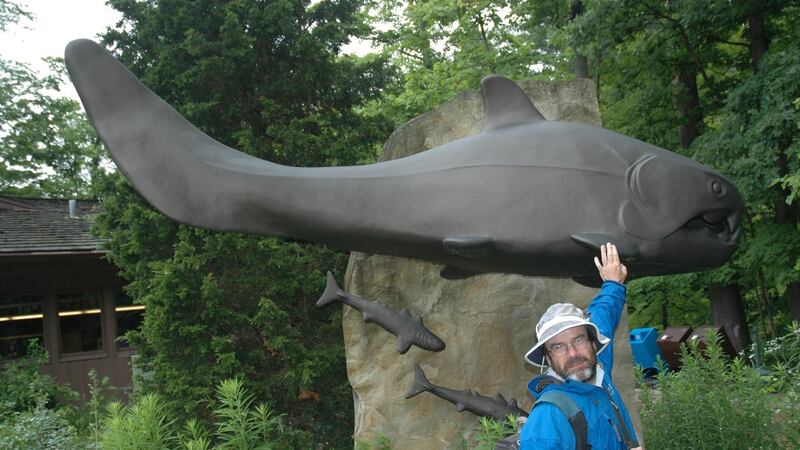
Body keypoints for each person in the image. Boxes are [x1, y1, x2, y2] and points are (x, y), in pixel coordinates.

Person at [518, 243, 642, 450]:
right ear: (547, 359)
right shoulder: (549, 417)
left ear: (593, 342)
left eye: (578, 340)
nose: (573, 354)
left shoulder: (599, 367)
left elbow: (604, 312)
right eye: (558, 347)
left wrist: (613, 283)